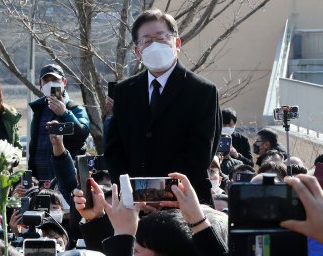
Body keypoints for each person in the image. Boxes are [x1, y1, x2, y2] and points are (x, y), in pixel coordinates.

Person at [104, 9, 222, 205]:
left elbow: (200, 153)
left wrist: (158, 193)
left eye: (161, 38)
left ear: (177, 43)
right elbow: (114, 149)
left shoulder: (202, 91)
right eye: (147, 40)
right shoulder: (125, 91)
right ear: (137, 50)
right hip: (135, 205)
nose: (155, 45)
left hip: (184, 202)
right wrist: (133, 193)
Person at [28, 64, 90, 181]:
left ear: (64, 82)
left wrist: (64, 113)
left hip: (66, 179)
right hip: (39, 179)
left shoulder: (75, 108)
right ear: (40, 84)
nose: (51, 84)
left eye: (55, 80)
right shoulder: (39, 110)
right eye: (46, 80)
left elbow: (82, 133)